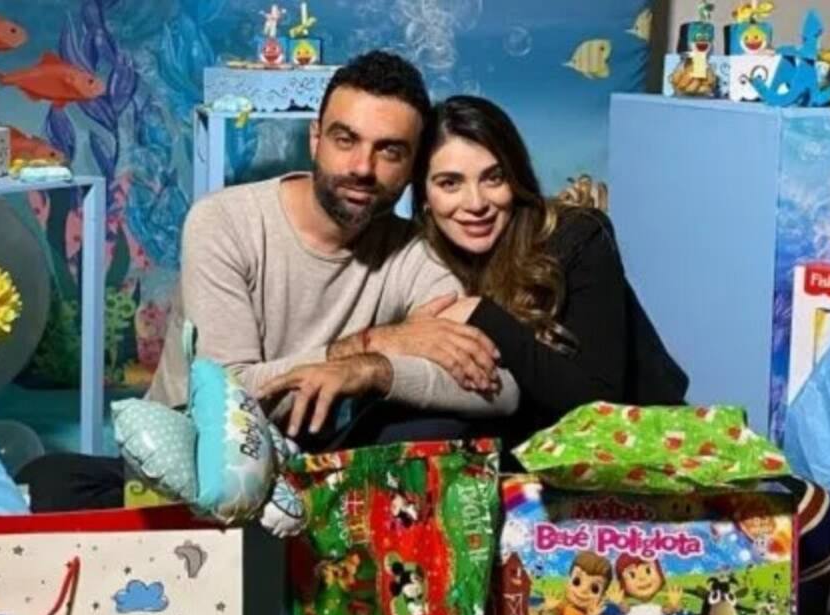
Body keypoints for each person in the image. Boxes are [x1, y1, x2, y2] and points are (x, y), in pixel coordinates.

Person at [147, 52, 518, 449]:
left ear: (413, 166)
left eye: (390, 151)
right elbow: (226, 401)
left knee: (438, 423)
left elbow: (502, 390)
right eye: (346, 140)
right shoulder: (225, 222)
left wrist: (374, 370)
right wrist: (376, 343)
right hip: (191, 457)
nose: (362, 168)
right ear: (315, 139)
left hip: (310, 463)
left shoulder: (414, 252)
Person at [404, 95, 688, 449]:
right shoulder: (417, 260)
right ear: (424, 195)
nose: (475, 203)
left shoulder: (578, 237)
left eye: (494, 178)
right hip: (517, 462)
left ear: (516, 179)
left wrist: (483, 315)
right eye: (450, 183)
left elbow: (597, 406)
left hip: (634, 457)